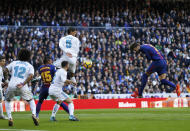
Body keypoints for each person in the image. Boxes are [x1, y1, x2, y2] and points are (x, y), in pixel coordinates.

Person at [5, 49, 39, 126]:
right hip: (22, 86)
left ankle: (10, 118)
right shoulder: (30, 65)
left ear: (19, 55)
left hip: (11, 85)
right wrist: (23, 84)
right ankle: (34, 114)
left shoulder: (14, 63)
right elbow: (31, 76)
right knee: (30, 100)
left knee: (7, 100)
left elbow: (5, 70)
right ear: (28, 56)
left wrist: (6, 80)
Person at [0, 55, 8, 119]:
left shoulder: (1, 68)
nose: (4, 62)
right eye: (3, 61)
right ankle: (1, 115)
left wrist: (4, 82)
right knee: (0, 100)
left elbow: (1, 79)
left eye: (4, 61)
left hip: (0, 87)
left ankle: (1, 114)